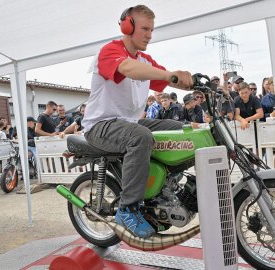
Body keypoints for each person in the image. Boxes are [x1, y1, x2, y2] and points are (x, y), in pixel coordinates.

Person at [81, 5, 193, 238]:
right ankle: (127, 209)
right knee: (140, 136)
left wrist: (189, 82)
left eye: (151, 30)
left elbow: (167, 78)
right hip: (101, 125)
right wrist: (166, 75)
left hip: (129, 123)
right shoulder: (110, 51)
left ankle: (164, 189)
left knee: (182, 130)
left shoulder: (145, 59)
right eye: (144, 28)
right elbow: (129, 68)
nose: (149, 35)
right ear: (126, 26)